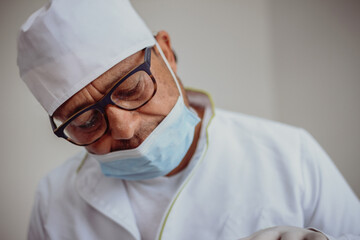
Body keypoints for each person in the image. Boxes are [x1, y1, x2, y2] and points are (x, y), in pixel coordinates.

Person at [17, 0, 360, 240]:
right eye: (86, 122)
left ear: (165, 53)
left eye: (132, 87)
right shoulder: (54, 199)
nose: (125, 128)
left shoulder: (290, 155)